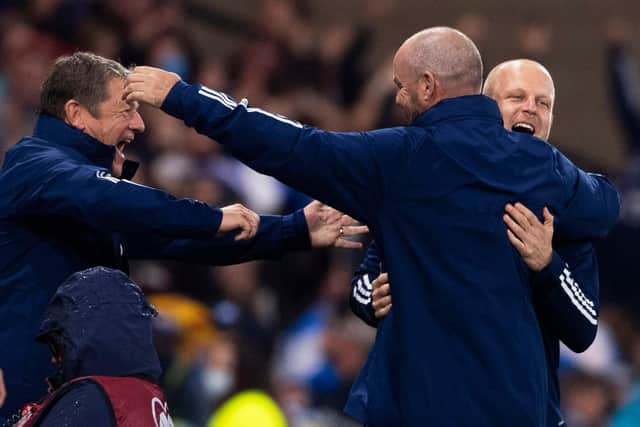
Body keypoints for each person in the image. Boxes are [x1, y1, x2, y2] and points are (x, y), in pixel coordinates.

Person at [125, 27, 620, 425]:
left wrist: (184, 98)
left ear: (427, 86)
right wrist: (370, 296)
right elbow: (607, 203)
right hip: (507, 408)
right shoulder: (551, 177)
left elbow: (289, 144)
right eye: (518, 97)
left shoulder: (400, 161)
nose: (400, 98)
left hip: (418, 407)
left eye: (403, 87)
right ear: (489, 98)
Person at [0, 52, 366, 420]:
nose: (139, 124)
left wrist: (293, 229)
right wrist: (210, 217)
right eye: (126, 109)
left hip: (69, 392)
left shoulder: (90, 200)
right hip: (21, 394)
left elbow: (184, 242)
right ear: (77, 114)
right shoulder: (35, 165)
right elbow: (112, 197)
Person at [349, 59, 601, 426]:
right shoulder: (431, 182)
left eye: (542, 102)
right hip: (418, 403)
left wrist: (548, 264)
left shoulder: (565, 208)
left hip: (517, 410)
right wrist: (369, 298)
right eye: (516, 96)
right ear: (483, 108)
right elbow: (363, 281)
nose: (530, 107)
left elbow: (583, 330)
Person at [10, 266, 173, 427]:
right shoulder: (148, 396)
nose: (54, 359)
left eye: (58, 346)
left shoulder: (93, 397)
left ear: (85, 338)